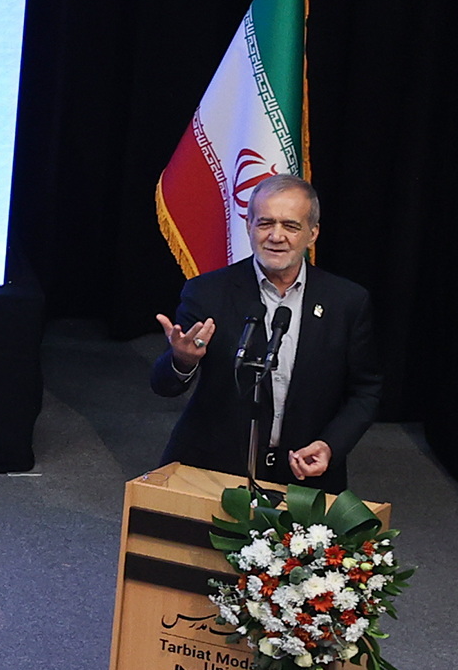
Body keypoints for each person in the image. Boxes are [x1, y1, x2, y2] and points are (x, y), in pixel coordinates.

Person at [151, 175, 381, 490]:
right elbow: (164, 385)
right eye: (265, 223)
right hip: (215, 470)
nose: (276, 236)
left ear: (312, 234)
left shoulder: (346, 302)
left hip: (302, 475)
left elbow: (365, 391)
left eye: (291, 226)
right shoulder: (207, 292)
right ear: (249, 226)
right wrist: (182, 360)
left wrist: (330, 445)